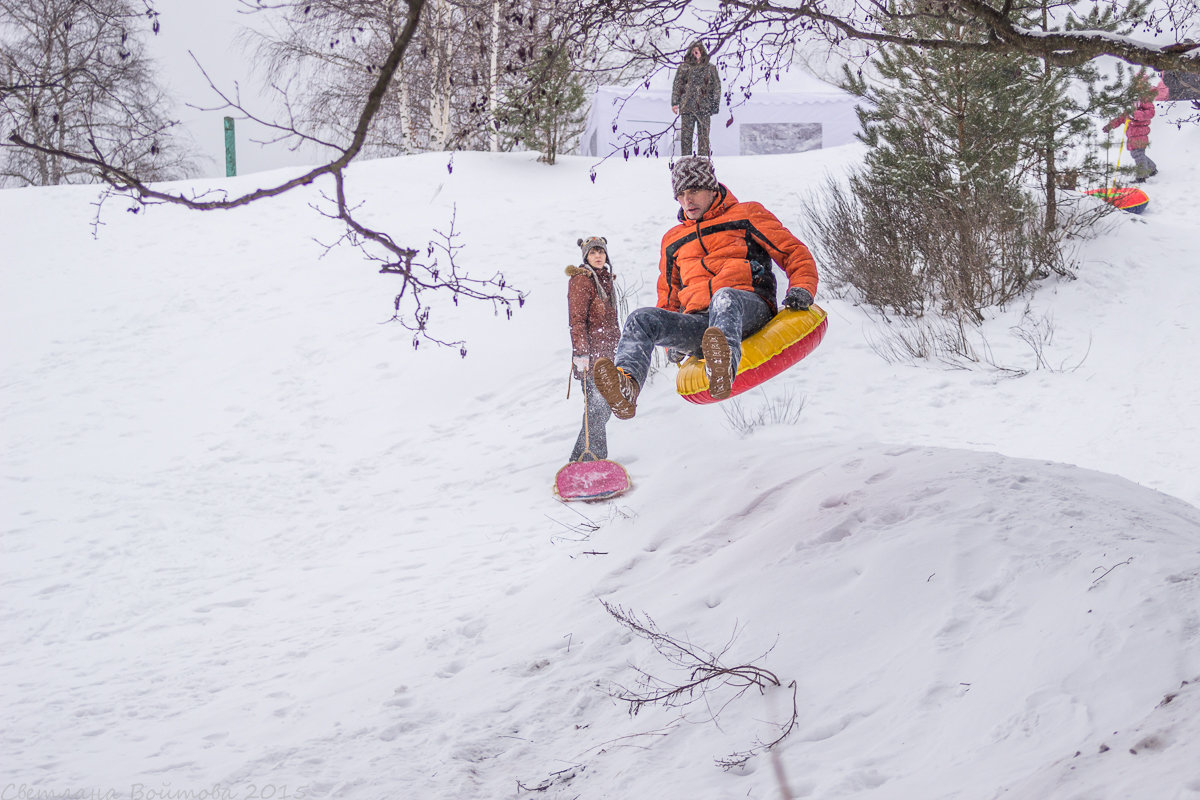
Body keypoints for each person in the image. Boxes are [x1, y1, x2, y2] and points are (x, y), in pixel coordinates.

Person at [592, 157, 818, 419]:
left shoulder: (747, 214)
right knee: (641, 319)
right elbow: (668, 297)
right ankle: (626, 387)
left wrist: (802, 287)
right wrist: (671, 345)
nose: (688, 200)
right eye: (681, 194)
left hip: (748, 307)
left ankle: (722, 368)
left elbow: (793, 251)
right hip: (701, 323)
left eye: (694, 191)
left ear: (712, 188)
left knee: (725, 299)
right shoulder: (673, 240)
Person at [565, 236, 620, 461]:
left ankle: (583, 456)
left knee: (602, 406)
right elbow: (577, 320)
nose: (598, 256)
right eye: (593, 253)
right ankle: (591, 457)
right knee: (597, 406)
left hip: (607, 354)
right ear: (586, 257)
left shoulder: (605, 280)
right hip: (590, 357)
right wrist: (581, 353)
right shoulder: (581, 281)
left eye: (601, 252)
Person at [1103, 74, 1170, 182]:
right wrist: (1110, 125)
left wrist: (1135, 114)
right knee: (1137, 153)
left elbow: (1150, 113)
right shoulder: (1132, 99)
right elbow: (1122, 117)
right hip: (1132, 132)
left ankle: (1141, 176)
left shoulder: (1146, 99)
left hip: (1140, 132)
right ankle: (1152, 168)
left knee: (1138, 154)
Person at [671, 41, 721, 157]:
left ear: (702, 51)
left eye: (698, 51)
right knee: (686, 137)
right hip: (687, 106)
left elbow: (716, 87)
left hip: (704, 107)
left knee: (704, 137)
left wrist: (714, 105)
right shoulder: (684, 67)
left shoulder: (710, 68)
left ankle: (703, 161)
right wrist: (675, 103)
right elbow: (677, 85)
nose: (696, 53)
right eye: (693, 51)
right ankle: (686, 160)